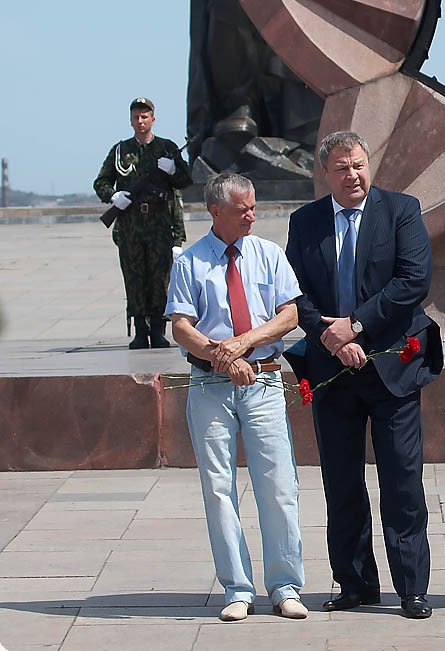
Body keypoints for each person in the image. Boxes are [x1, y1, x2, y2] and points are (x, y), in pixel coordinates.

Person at [285, 131, 443, 619]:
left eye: (358, 165)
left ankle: (411, 587)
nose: (351, 175)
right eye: (341, 168)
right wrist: (331, 337)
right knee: (341, 481)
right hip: (332, 371)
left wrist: (355, 326)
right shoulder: (305, 221)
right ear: (324, 173)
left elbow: (413, 280)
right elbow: (294, 291)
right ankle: (354, 583)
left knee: (402, 481)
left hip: (391, 368)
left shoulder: (400, 210)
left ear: (367, 166)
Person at [165, 172, 307, 622]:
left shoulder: (269, 255)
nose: (252, 214)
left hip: (263, 381)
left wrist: (243, 343)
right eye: (242, 208)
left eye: (253, 205)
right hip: (209, 386)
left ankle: (285, 585)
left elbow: (289, 315)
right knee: (218, 488)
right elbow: (182, 327)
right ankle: (237, 587)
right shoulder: (189, 262)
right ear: (215, 211)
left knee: (278, 485)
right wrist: (223, 358)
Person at [94, 97, 192, 349]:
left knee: (160, 280)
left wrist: (172, 170)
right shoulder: (120, 151)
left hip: (160, 227)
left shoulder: (166, 148)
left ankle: (158, 332)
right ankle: (140, 332)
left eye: (144, 116)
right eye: (136, 117)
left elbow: (185, 181)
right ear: (131, 120)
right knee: (135, 279)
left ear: (153, 119)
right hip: (130, 227)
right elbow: (101, 181)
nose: (140, 121)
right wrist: (113, 196)